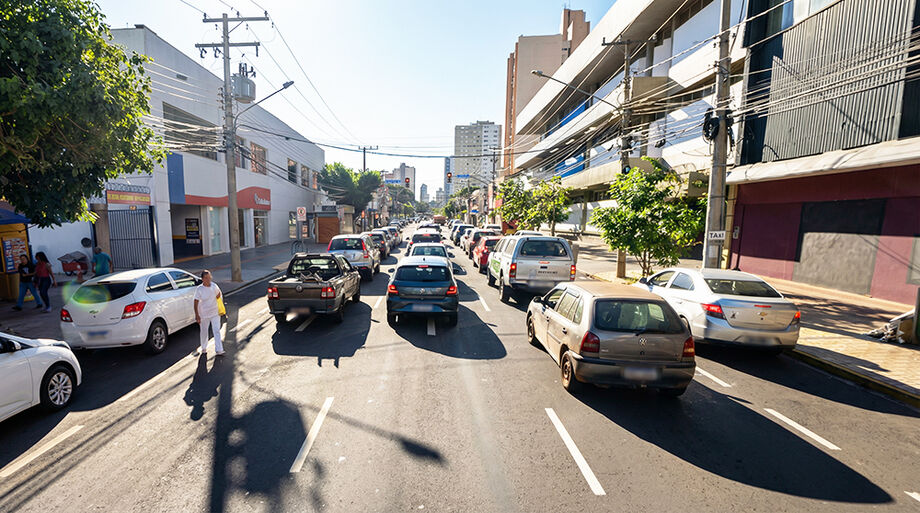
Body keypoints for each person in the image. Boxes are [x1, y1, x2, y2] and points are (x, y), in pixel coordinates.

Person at [193, 270, 224, 356]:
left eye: (209, 277)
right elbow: (195, 302)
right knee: (204, 331)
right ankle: (204, 347)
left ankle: (219, 349)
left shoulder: (214, 286)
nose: (208, 279)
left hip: (215, 312)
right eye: (206, 278)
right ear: (202, 279)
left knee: (216, 330)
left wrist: (220, 308)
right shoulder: (199, 289)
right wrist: (197, 315)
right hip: (204, 314)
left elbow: (219, 295)